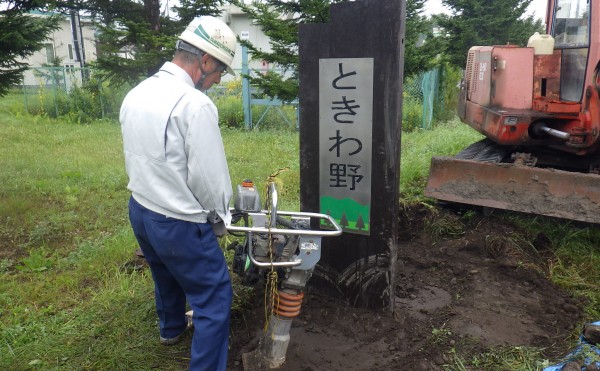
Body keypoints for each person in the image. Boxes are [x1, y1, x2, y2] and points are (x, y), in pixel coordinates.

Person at [119, 16, 237, 370]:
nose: (217, 81)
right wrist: (221, 218)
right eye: (220, 72)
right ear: (205, 60)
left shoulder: (138, 92)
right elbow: (209, 179)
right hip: (179, 222)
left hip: (141, 207)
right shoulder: (194, 105)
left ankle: (171, 328)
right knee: (214, 297)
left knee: (165, 273)